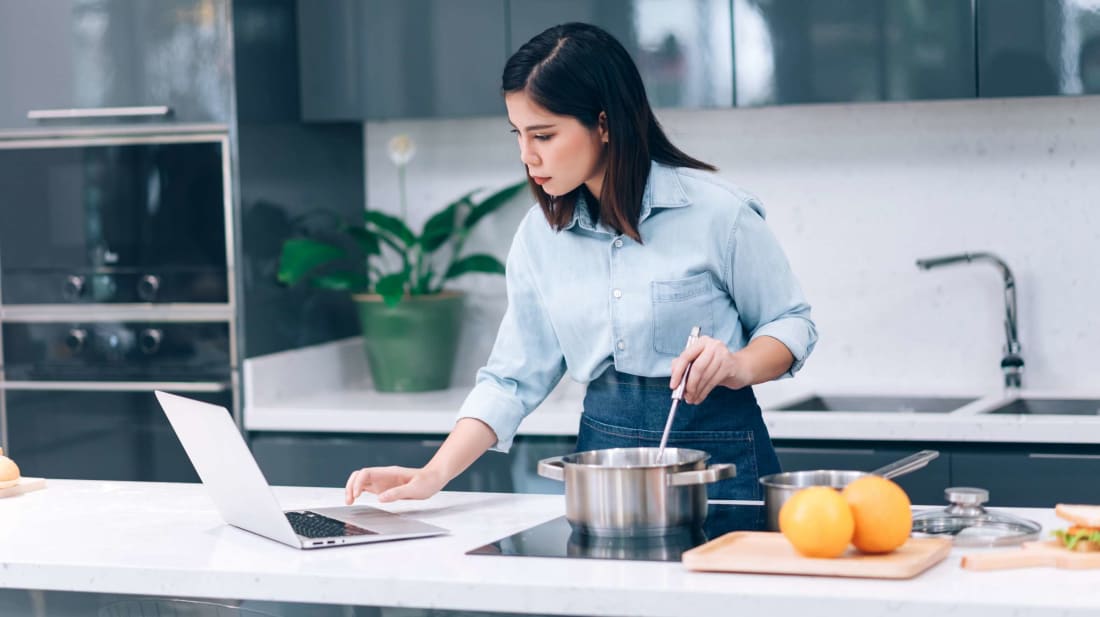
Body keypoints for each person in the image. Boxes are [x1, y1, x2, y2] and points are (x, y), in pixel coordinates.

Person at [344, 22, 817, 505]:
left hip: (720, 465)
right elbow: (512, 380)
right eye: (519, 135)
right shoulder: (539, 237)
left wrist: (736, 365)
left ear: (605, 124)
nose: (527, 156)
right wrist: (432, 474)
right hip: (603, 471)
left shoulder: (720, 214)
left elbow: (790, 323)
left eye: (544, 135)